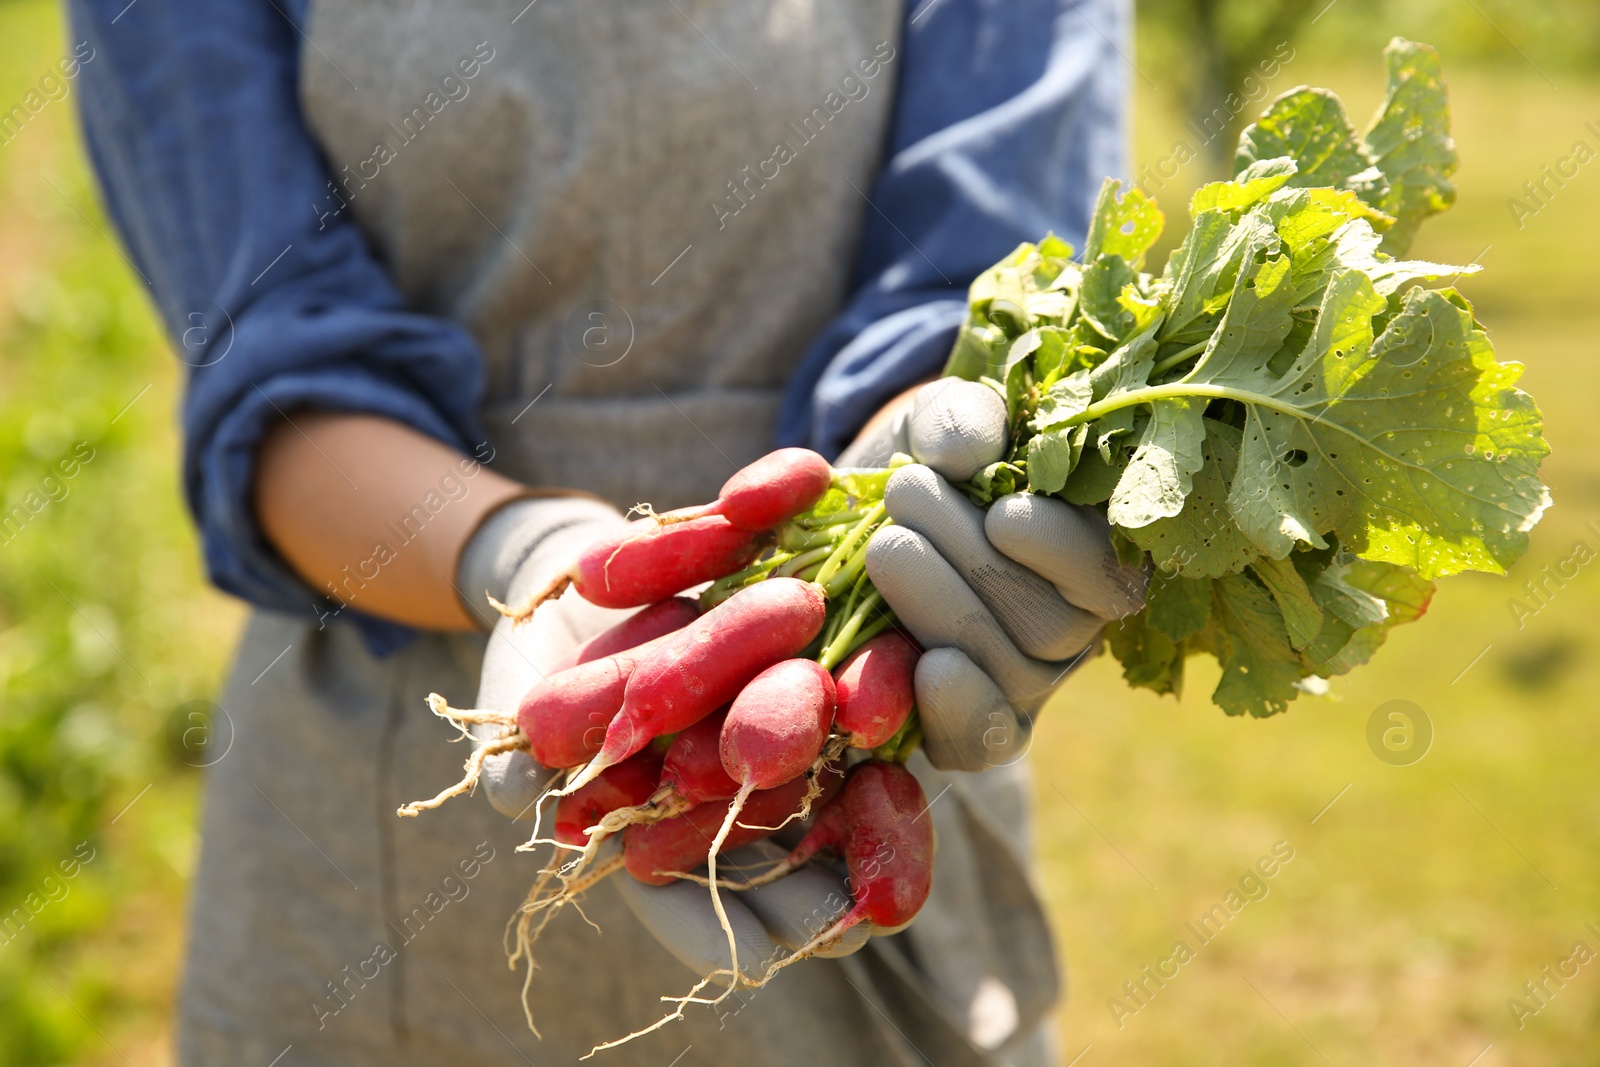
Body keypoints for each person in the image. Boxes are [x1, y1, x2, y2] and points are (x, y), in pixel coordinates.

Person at [71, 0, 1140, 1063]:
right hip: (373, 812)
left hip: (858, 727)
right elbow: (277, 351)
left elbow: (991, 281)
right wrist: (524, 558)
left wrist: (921, 463)